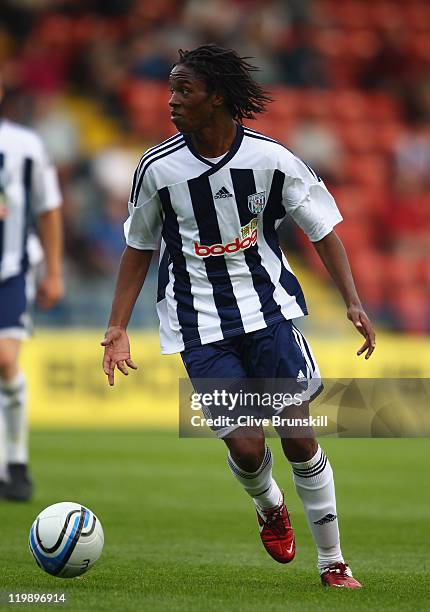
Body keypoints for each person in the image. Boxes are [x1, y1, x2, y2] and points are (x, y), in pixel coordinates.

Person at [101, 45, 375, 588]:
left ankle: (333, 562)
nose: (171, 101)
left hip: (270, 311)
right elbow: (138, 248)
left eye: (185, 91)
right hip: (199, 324)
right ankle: (269, 504)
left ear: (217, 98)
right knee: (249, 448)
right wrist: (117, 328)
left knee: (297, 435)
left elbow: (321, 229)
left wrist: (352, 299)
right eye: (172, 89)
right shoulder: (156, 170)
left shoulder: (272, 159)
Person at [0, 82, 63, 501]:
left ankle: (16, 462)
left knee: (5, 361)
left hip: (11, 268)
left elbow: (49, 207)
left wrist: (54, 272)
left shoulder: (24, 145)